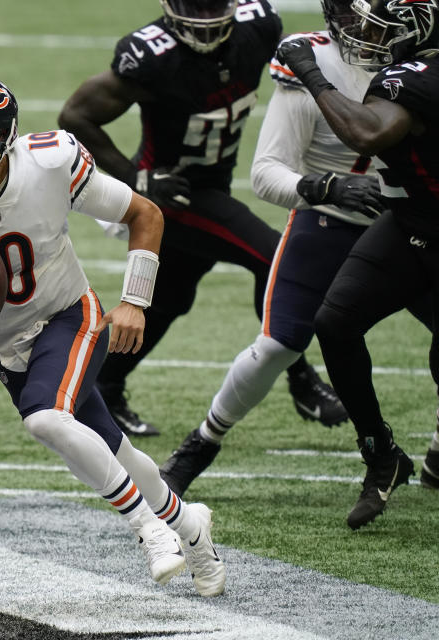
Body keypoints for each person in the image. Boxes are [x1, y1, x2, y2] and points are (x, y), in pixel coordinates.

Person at [0, 72, 226, 597]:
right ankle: (192, 529)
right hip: (6, 343)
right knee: (115, 450)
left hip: (69, 314)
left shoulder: (50, 160)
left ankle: (148, 528)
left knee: (45, 418)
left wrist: (134, 300)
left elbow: (144, 214)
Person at [158, 0, 436, 496]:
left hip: (408, 224)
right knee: (278, 345)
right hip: (329, 220)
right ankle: (202, 442)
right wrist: (324, 188)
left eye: (372, 17)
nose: (363, 30)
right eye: (353, 16)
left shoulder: (420, 62)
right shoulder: (314, 60)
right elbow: (265, 173)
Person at [58, 0, 345, 438]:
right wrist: (137, 176)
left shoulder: (260, 27)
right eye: (195, 4)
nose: (205, 16)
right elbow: (75, 116)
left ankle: (103, 386)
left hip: (215, 184)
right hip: (174, 194)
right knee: (272, 257)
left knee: (171, 296)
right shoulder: (153, 54)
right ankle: (302, 380)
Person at [276, 0, 439, 528]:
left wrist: (311, 75)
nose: (368, 33)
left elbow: (366, 134)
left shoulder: (417, 75)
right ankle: (381, 455)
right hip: (412, 221)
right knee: (335, 321)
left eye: (383, 26)